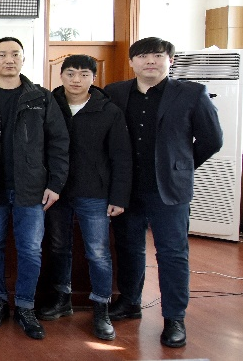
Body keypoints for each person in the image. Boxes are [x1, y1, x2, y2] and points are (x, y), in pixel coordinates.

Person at [105, 37, 223, 348]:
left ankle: (174, 317)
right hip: (127, 188)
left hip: (168, 189)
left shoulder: (192, 93)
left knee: (172, 254)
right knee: (129, 249)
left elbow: (212, 139)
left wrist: (181, 165)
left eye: (158, 56)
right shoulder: (115, 92)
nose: (150, 62)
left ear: (170, 61)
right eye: (143, 56)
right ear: (132, 62)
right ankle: (129, 301)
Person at [0, 36, 68, 340]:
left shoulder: (41, 97)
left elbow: (58, 142)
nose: (9, 60)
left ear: (23, 59)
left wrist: (55, 184)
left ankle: (25, 306)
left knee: (30, 250)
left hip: (32, 189)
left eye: (15, 54)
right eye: (2, 55)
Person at [37, 54, 131, 341]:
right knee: (58, 247)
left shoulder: (109, 110)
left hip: (95, 192)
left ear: (94, 78)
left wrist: (118, 196)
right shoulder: (48, 104)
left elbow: (121, 156)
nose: (76, 80)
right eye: (70, 73)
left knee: (98, 252)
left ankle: (101, 308)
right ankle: (62, 298)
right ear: (61, 76)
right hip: (56, 190)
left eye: (84, 74)